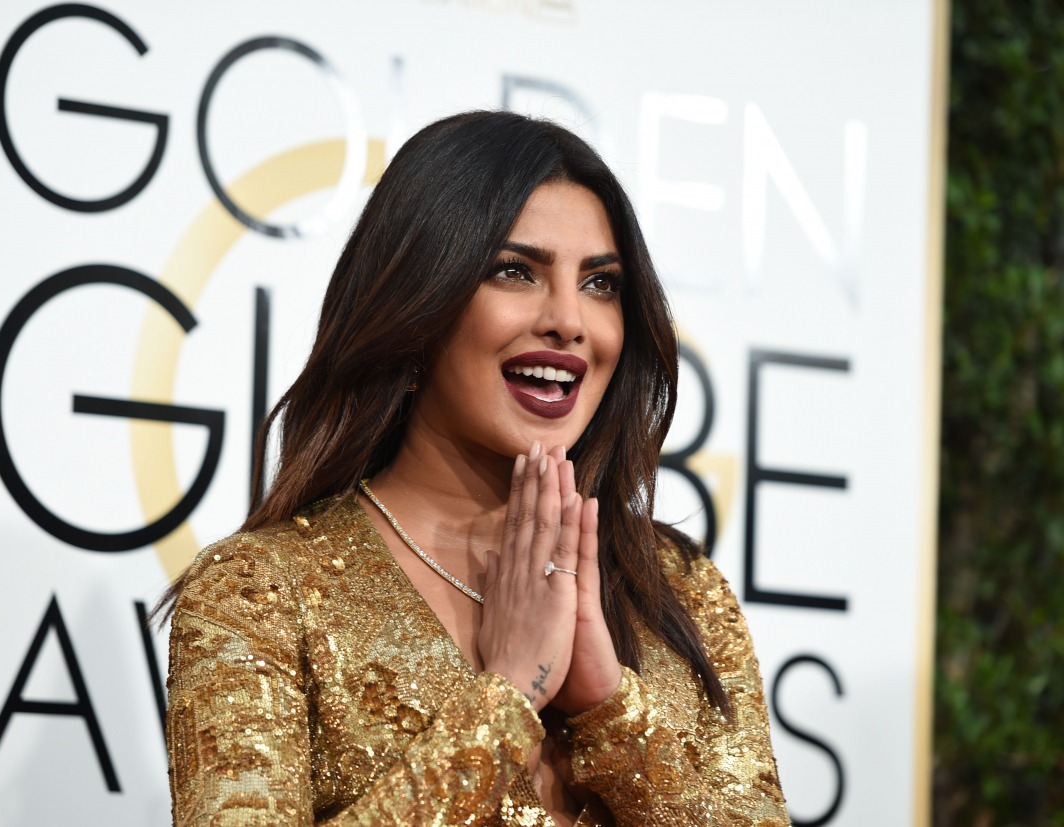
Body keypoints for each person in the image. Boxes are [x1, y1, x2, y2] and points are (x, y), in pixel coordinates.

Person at [163, 111, 790, 826]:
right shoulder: (260, 593)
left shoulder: (679, 590)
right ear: (417, 302)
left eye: (600, 283)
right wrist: (506, 699)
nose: (569, 321)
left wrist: (611, 710)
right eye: (514, 271)